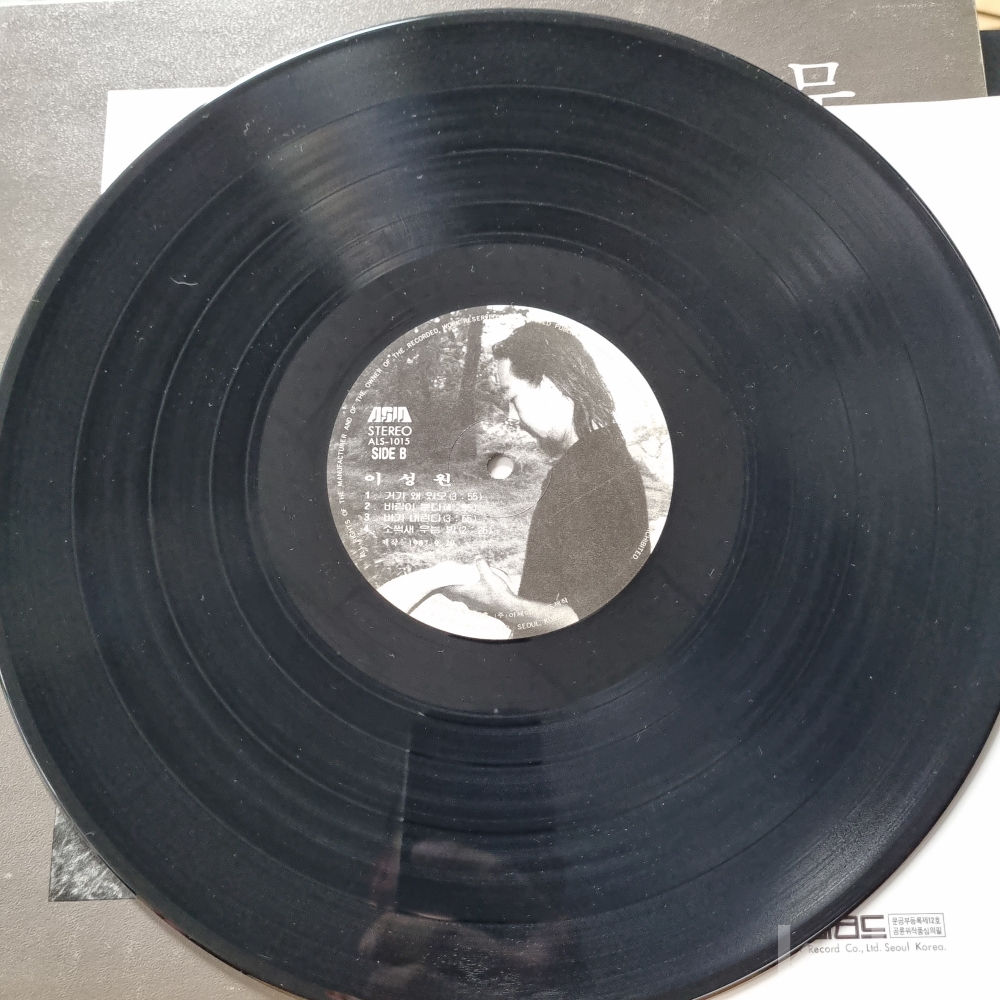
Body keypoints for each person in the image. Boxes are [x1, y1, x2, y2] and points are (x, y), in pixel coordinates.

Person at [441, 323, 650, 634]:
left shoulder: (589, 477)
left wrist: (499, 604)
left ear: (550, 388)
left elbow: (590, 620)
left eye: (512, 397)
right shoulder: (604, 457)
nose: (512, 416)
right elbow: (593, 588)